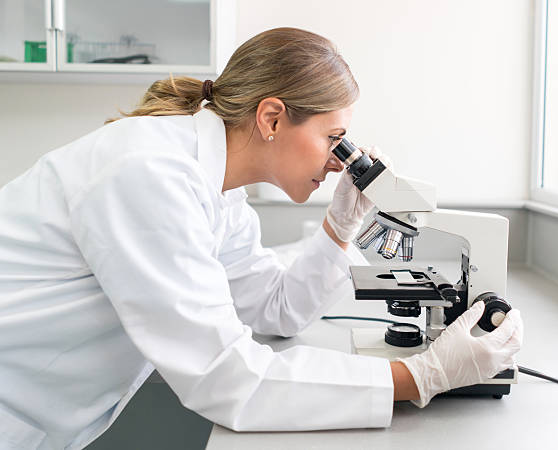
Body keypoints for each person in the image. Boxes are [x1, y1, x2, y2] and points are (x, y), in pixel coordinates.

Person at [0, 27, 523, 449]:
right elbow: (227, 380)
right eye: (331, 138)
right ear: (272, 118)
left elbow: (276, 309)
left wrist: (338, 229)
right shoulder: (150, 174)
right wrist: (420, 378)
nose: (337, 162)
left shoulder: (218, 188)